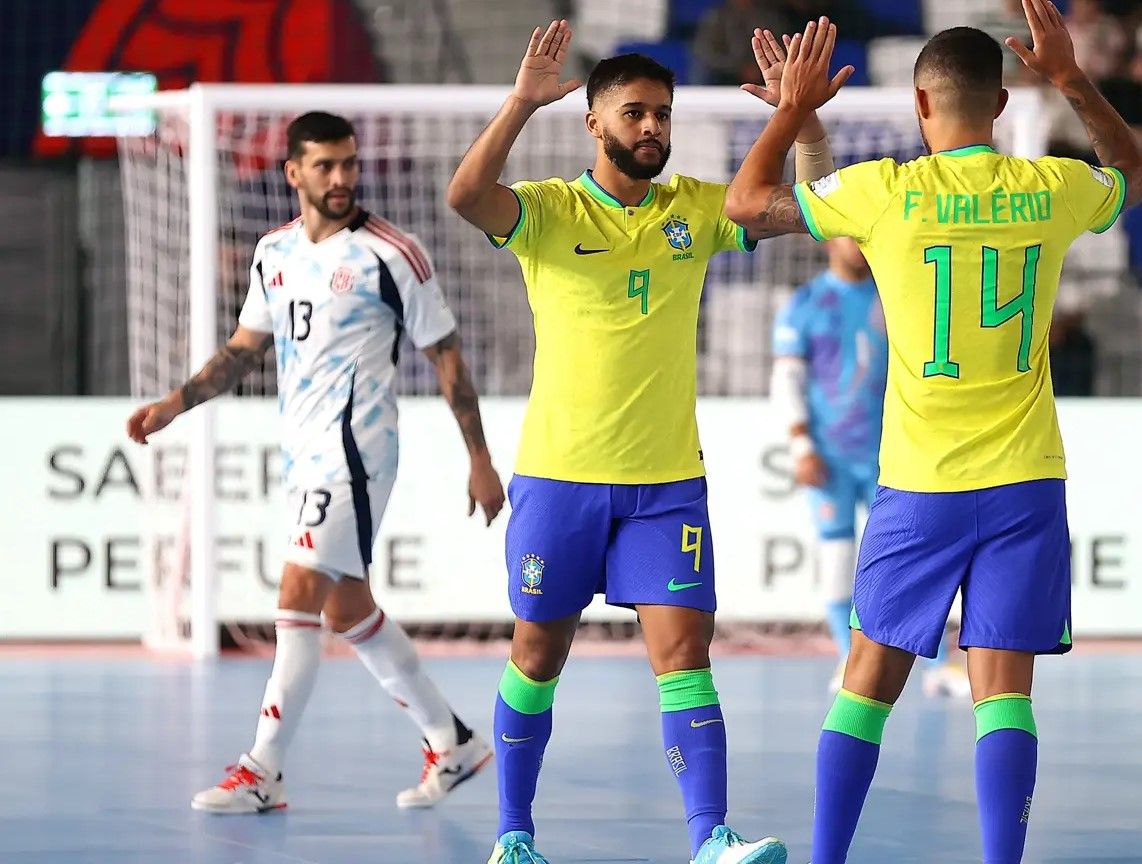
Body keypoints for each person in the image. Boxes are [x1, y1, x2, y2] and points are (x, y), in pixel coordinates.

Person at [724, 4, 1142, 862]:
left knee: (866, 688)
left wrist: (792, 111)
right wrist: (1070, 79)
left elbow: (746, 205)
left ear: (921, 106)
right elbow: (1134, 175)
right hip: (1025, 481)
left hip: (921, 483)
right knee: (1004, 697)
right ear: (1000, 106)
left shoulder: (887, 191)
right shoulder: (1052, 187)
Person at [445, 19, 832, 864]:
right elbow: (466, 196)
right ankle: (513, 836)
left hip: (666, 486)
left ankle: (711, 840)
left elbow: (815, 209)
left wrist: (802, 121)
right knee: (537, 654)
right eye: (634, 114)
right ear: (594, 122)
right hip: (559, 480)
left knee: (686, 654)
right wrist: (519, 103)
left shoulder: (699, 206)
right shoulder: (548, 210)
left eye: (662, 114)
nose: (652, 127)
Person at [127, 111, 504, 813]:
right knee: (347, 610)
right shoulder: (273, 253)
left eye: (349, 164)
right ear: (293, 173)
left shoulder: (393, 253)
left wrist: (479, 459)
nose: (340, 179)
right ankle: (450, 740)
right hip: (302, 452)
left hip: (358, 453)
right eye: (325, 166)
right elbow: (244, 350)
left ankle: (262, 770)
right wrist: (174, 405)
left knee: (297, 592)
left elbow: (446, 354)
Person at [770, 237, 969, 697]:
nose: (857, 244)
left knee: (911, 561)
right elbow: (787, 380)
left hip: (896, 456)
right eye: (846, 234)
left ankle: (939, 663)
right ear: (826, 241)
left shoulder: (896, 296)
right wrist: (801, 447)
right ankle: (847, 657)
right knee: (838, 558)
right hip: (831, 460)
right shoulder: (805, 305)